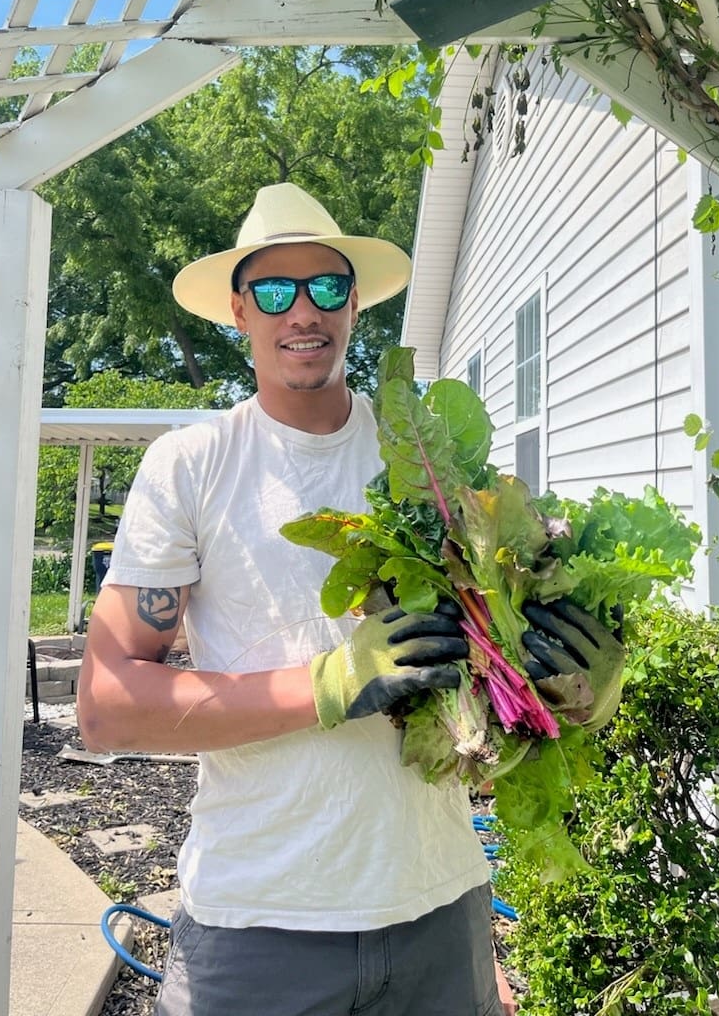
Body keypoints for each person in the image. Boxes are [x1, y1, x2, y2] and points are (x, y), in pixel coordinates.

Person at [76, 182, 623, 1016]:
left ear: (354, 301)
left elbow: (498, 669)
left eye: (327, 286)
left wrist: (587, 691)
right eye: (275, 290)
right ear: (238, 311)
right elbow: (109, 706)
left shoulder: (425, 454)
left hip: (439, 906)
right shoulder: (193, 464)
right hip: (259, 921)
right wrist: (332, 683)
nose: (305, 311)